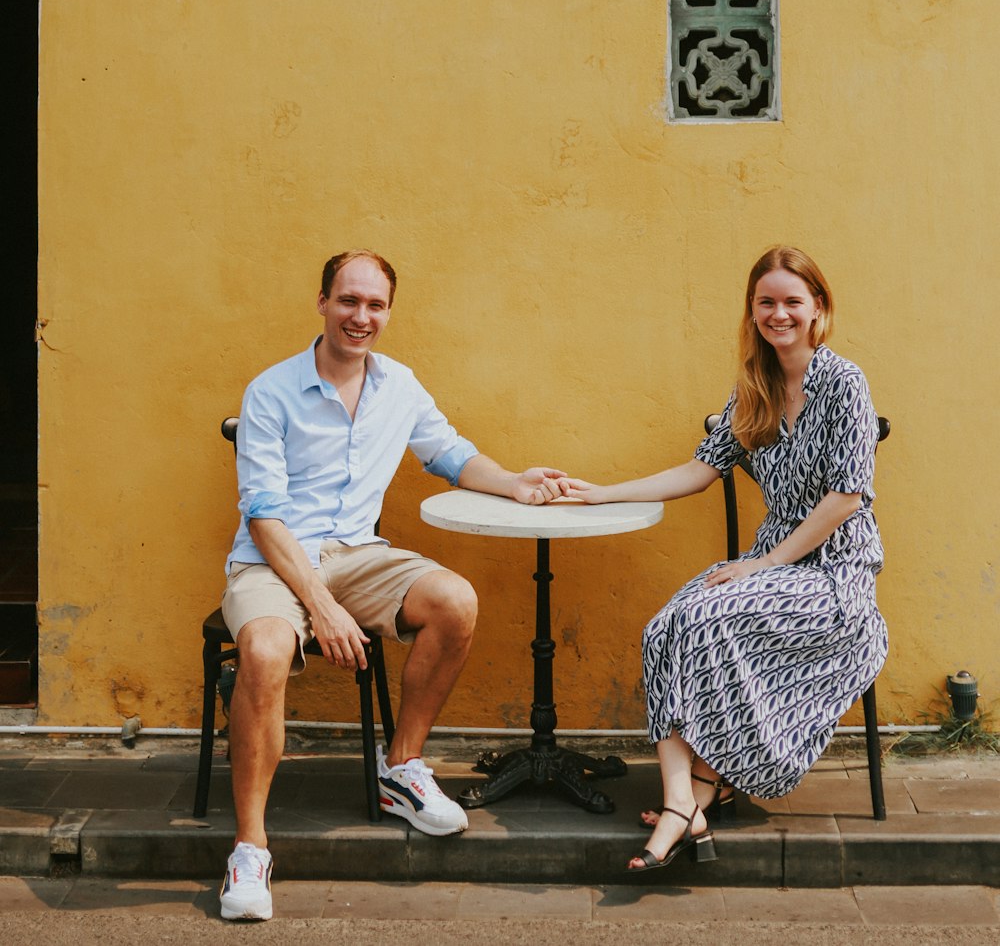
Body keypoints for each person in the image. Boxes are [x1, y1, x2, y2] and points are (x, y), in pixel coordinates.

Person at [218, 249, 569, 921]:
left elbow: (452, 455)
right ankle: (250, 848)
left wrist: (515, 481)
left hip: (358, 554)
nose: (361, 316)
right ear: (322, 302)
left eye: (375, 305)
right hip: (272, 560)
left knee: (455, 600)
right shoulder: (271, 390)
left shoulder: (399, 386)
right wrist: (320, 607)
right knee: (264, 653)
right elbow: (263, 518)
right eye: (349, 301)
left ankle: (400, 770)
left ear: (388, 313)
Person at [563, 245, 887, 875]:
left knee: (705, 618)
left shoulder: (844, 381)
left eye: (793, 301)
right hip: (771, 563)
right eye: (767, 302)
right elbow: (699, 470)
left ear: (818, 309)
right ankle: (687, 797)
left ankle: (692, 799)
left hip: (835, 575)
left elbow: (846, 496)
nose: (779, 314)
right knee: (665, 627)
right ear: (752, 310)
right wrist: (601, 491)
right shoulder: (754, 387)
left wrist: (763, 566)